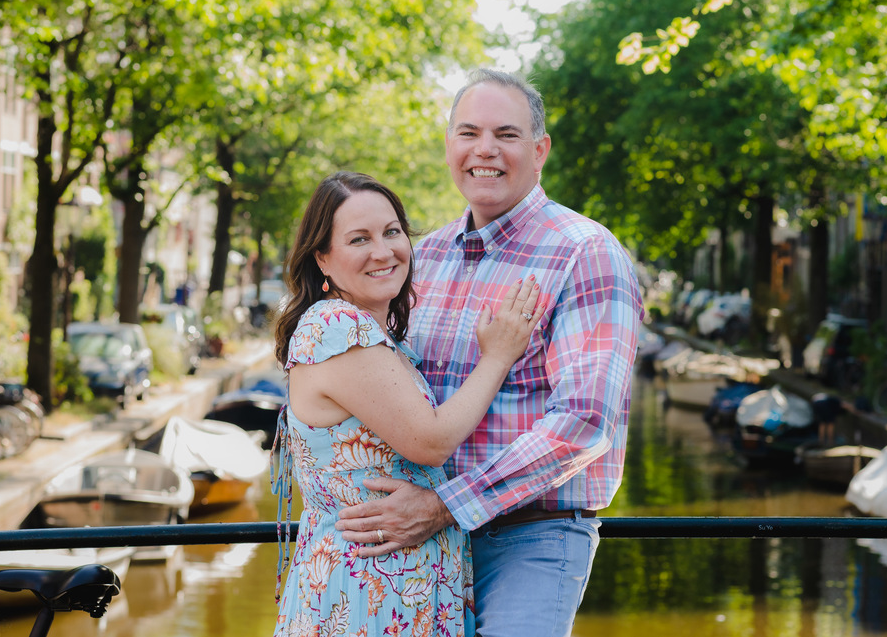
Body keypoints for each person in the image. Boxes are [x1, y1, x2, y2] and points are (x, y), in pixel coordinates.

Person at [335, 69, 644, 636]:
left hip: (532, 537)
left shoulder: (585, 253)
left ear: (540, 149)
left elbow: (582, 423)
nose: (485, 151)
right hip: (421, 535)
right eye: (468, 133)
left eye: (506, 134)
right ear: (449, 145)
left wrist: (445, 505)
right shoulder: (421, 257)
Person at [270, 170, 541, 636]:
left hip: (397, 587)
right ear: (323, 259)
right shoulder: (337, 327)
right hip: (366, 595)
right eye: (359, 239)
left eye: (392, 232)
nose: (383, 251)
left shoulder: (374, 335)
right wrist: (497, 357)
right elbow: (430, 441)